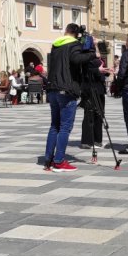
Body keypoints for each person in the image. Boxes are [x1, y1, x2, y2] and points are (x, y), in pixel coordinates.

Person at [43, 24, 95, 172]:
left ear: (66, 32)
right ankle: (59, 161)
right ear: (77, 34)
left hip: (53, 89)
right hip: (66, 89)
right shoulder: (73, 45)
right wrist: (92, 52)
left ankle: (48, 160)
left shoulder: (56, 45)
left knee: (55, 126)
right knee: (65, 127)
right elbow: (77, 60)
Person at [80, 51, 110, 150]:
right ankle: (86, 141)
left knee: (100, 114)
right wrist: (98, 70)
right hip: (90, 89)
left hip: (99, 89)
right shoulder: (85, 58)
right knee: (89, 114)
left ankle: (98, 140)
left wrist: (105, 71)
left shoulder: (99, 59)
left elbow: (101, 72)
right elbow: (85, 72)